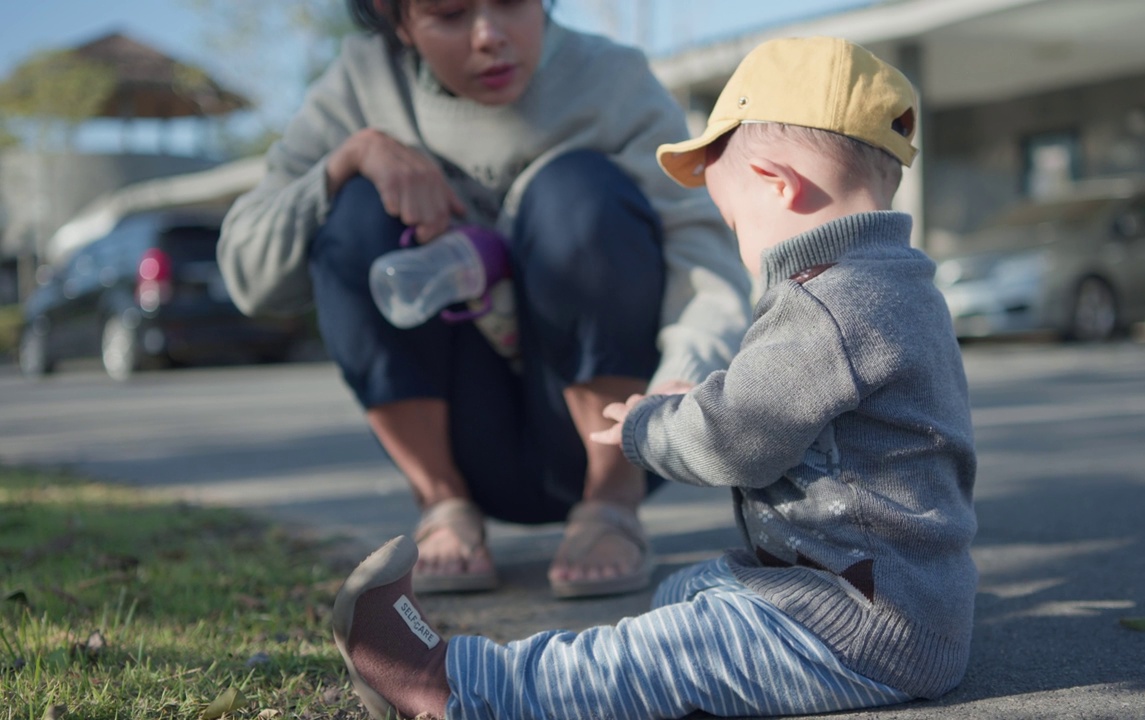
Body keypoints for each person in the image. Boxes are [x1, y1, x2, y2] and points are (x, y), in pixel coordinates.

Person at [330, 35, 979, 720]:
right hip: (902, 599)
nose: (737, 240)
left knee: (647, 656)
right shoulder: (897, 287)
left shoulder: (825, 301)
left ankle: (451, 685)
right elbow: (792, 403)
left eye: (732, 220)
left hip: (850, 627)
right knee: (685, 591)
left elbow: (738, 440)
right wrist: (696, 398)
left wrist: (647, 428)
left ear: (777, 185)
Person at [216, 0, 753, 599]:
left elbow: (706, 258)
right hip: (464, 436)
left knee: (577, 189)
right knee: (355, 205)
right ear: (400, 24)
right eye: (449, 14)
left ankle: (611, 506)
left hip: (614, 435)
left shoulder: (612, 77)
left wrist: (682, 377)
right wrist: (348, 158)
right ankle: (442, 504)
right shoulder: (361, 83)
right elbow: (248, 274)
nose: (490, 36)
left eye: (512, 3)